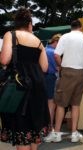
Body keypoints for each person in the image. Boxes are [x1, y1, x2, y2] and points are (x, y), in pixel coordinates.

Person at [0, 7, 50, 150]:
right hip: (38, 86)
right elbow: (45, 67)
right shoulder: (38, 40)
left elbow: (4, 60)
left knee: (21, 128)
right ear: (29, 24)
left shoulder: (11, 34)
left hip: (19, 86)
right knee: (34, 128)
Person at [44, 19, 83, 143]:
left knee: (61, 103)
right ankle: (74, 133)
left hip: (67, 72)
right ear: (80, 27)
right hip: (81, 73)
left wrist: (61, 66)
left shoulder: (65, 37)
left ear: (71, 27)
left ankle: (57, 133)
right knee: (75, 104)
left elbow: (56, 55)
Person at [44, 33, 61, 130]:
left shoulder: (44, 50)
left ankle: (46, 126)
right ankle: (50, 127)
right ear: (56, 42)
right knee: (51, 103)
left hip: (43, 78)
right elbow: (58, 68)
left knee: (46, 103)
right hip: (51, 78)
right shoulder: (54, 53)